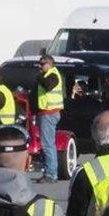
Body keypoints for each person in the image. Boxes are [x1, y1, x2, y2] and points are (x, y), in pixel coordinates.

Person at [35, 55, 65, 183]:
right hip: (46, 112)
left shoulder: (53, 75)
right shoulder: (48, 74)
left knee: (48, 145)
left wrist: (39, 76)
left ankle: (51, 174)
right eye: (39, 64)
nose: (40, 66)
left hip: (49, 113)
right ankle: (50, 172)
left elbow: (48, 86)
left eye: (42, 64)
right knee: (48, 144)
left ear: (50, 64)